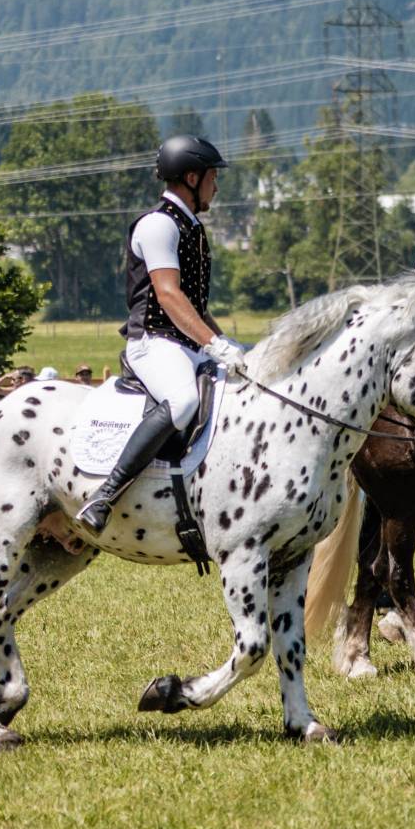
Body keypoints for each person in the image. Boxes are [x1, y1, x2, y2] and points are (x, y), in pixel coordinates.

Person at [76, 135, 246, 534]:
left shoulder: (192, 228)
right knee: (184, 400)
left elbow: (195, 306)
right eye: (211, 178)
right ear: (191, 176)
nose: (216, 186)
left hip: (186, 343)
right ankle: (105, 495)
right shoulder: (158, 225)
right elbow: (168, 296)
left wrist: (230, 346)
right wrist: (215, 345)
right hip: (153, 342)